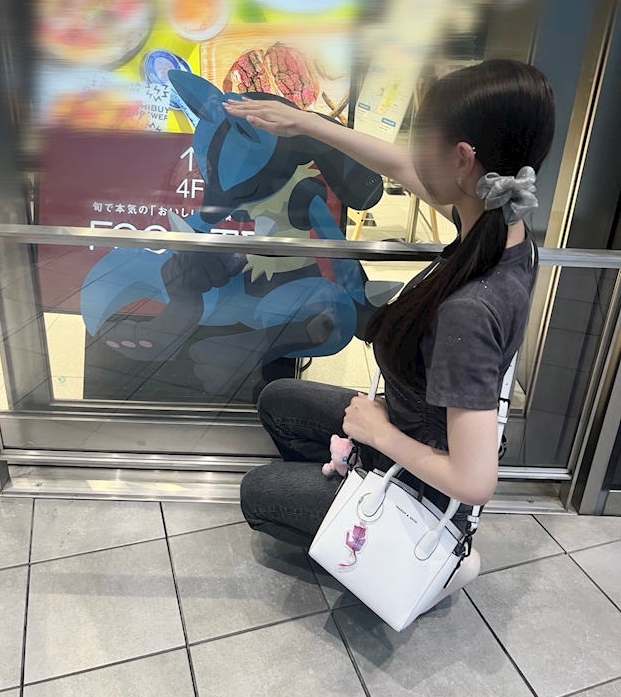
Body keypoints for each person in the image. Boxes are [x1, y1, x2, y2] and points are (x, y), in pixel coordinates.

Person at [225, 60, 555, 606]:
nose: (412, 153)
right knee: (279, 401)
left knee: (257, 494)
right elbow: (401, 166)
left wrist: (379, 435)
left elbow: (475, 481)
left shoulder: (471, 310)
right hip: (411, 424)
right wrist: (305, 123)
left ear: (463, 160)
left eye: (424, 140)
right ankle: (343, 485)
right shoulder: (503, 224)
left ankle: (426, 562)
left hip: (423, 482)